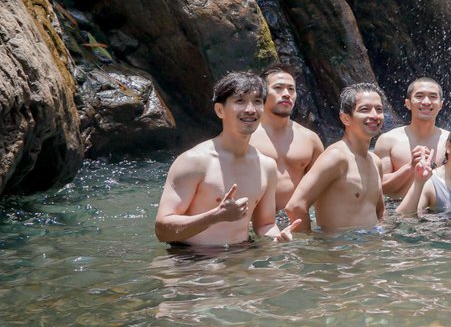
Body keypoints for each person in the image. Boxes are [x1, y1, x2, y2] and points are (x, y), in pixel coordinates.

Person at [155, 72, 291, 246]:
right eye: (240, 101)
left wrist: (278, 239)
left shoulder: (267, 166)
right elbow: (162, 231)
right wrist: (214, 217)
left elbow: (265, 224)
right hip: (191, 261)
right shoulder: (194, 161)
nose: (250, 109)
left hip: (241, 256)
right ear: (220, 110)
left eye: (257, 101)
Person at [284, 82, 388, 233]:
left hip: (371, 250)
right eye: (364, 109)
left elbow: (380, 212)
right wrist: (310, 248)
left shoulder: (375, 161)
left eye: (379, 109)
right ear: (346, 118)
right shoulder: (336, 157)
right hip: (341, 252)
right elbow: (295, 206)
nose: (374, 115)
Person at [249, 66, 324, 211]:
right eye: (278, 88)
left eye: (291, 89)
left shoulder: (310, 139)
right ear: (261, 93)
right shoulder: (246, 137)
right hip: (255, 223)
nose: (286, 94)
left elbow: (323, 187)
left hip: (296, 221)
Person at [375, 76, 448, 198]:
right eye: (419, 96)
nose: (426, 102)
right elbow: (380, 186)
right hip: (399, 212)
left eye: (433, 97)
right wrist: (410, 167)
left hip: (441, 212)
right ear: (408, 104)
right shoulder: (388, 140)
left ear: (441, 105)